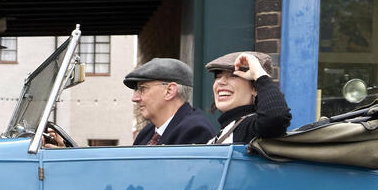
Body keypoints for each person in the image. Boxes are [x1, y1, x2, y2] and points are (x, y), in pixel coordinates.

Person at [43, 58, 214, 148]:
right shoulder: (148, 132)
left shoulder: (195, 130)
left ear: (170, 91)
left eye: (143, 89)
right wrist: (68, 154)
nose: (135, 98)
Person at [205, 51, 291, 144]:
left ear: (255, 88)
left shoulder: (250, 127)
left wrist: (259, 74)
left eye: (233, 76)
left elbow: (276, 117)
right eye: (218, 76)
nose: (220, 82)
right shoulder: (226, 131)